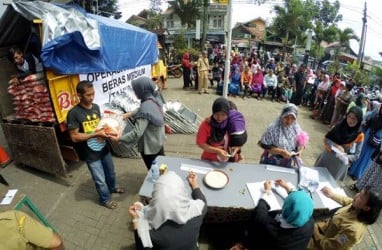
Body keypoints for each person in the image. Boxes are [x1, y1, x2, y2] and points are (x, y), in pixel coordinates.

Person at [67, 80, 124, 210]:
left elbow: (99, 127)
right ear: (79, 96)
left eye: (93, 94)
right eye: (88, 95)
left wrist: (111, 131)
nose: (92, 97)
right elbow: (74, 137)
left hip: (104, 148)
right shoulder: (73, 113)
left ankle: (113, 187)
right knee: (100, 180)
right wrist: (94, 134)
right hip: (90, 153)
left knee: (111, 173)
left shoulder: (96, 107)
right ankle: (104, 199)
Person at [128, 171, 207, 250]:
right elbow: (202, 199)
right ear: (183, 193)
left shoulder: (147, 232)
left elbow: (142, 247)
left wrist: (136, 219)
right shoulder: (199, 210)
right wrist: (194, 184)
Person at [241, 179, 314, 250]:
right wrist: (287, 187)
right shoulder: (310, 222)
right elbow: (302, 204)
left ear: (285, 208)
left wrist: (267, 191)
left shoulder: (269, 229)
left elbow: (260, 212)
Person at [307, 186, 382, 250]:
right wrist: (332, 195)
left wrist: (315, 233)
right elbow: (346, 200)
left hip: (324, 244)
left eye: (360, 197)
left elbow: (331, 246)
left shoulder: (352, 231)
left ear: (366, 208)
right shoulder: (356, 206)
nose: (356, 195)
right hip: (325, 229)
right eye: (359, 193)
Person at [119, 76, 165, 170]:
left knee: (154, 171)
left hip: (150, 148)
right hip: (158, 141)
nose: (135, 92)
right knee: (162, 167)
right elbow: (142, 109)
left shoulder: (145, 108)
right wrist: (129, 114)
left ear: (142, 90)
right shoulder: (153, 98)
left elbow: (136, 133)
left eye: (136, 89)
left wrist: (119, 139)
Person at [314, 106, 364, 181]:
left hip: (339, 164)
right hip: (327, 157)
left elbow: (356, 155)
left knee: (328, 184)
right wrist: (336, 146)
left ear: (359, 120)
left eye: (354, 118)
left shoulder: (359, 136)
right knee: (315, 177)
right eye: (349, 117)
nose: (350, 120)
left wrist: (345, 156)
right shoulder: (339, 126)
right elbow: (327, 138)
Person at [258, 103, 308, 168]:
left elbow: (301, 142)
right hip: (271, 160)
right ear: (282, 115)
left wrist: (300, 151)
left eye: (292, 118)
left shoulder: (296, 128)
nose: (289, 121)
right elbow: (265, 145)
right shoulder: (273, 128)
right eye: (286, 117)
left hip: (286, 162)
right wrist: (281, 152)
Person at [348, 103, 382, 180]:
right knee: (360, 152)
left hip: (375, 139)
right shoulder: (376, 114)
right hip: (368, 135)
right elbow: (367, 117)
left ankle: (357, 174)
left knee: (366, 158)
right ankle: (352, 170)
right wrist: (375, 110)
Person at [196, 97, 233, 162]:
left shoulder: (231, 123)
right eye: (217, 114)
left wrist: (238, 150)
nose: (219, 118)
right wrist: (217, 151)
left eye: (223, 115)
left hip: (228, 162)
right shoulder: (206, 124)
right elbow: (200, 143)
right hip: (209, 160)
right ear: (213, 112)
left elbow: (238, 138)